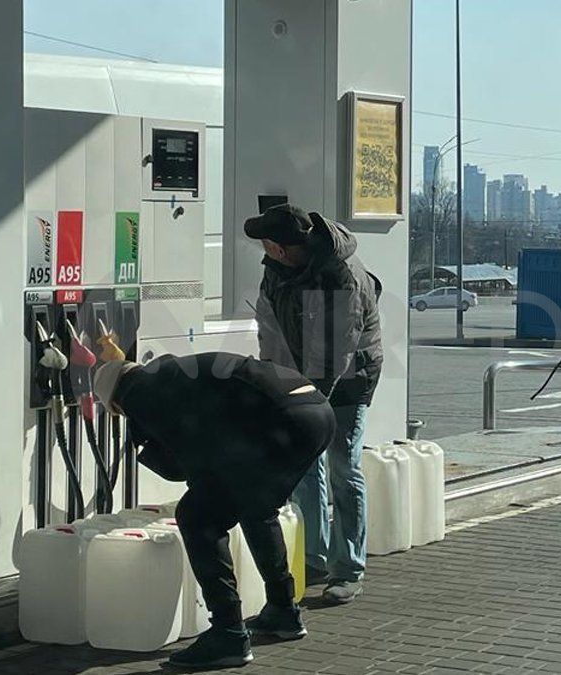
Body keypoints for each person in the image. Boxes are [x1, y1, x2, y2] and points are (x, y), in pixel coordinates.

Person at [93, 352, 336, 669]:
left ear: (116, 404)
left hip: (282, 421)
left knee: (197, 517)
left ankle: (228, 633)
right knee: (256, 507)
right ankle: (283, 611)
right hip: (314, 413)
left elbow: (189, 459)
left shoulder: (139, 393)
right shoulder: (169, 374)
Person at [245, 204, 382, 606]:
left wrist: (309, 401)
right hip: (306, 376)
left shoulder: (340, 275)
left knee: (343, 465)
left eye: (268, 245)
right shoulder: (275, 270)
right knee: (306, 467)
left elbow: (336, 351)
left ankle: (349, 569)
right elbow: (268, 330)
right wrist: (273, 385)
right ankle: (314, 557)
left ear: (281, 246)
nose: (266, 252)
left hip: (350, 378)